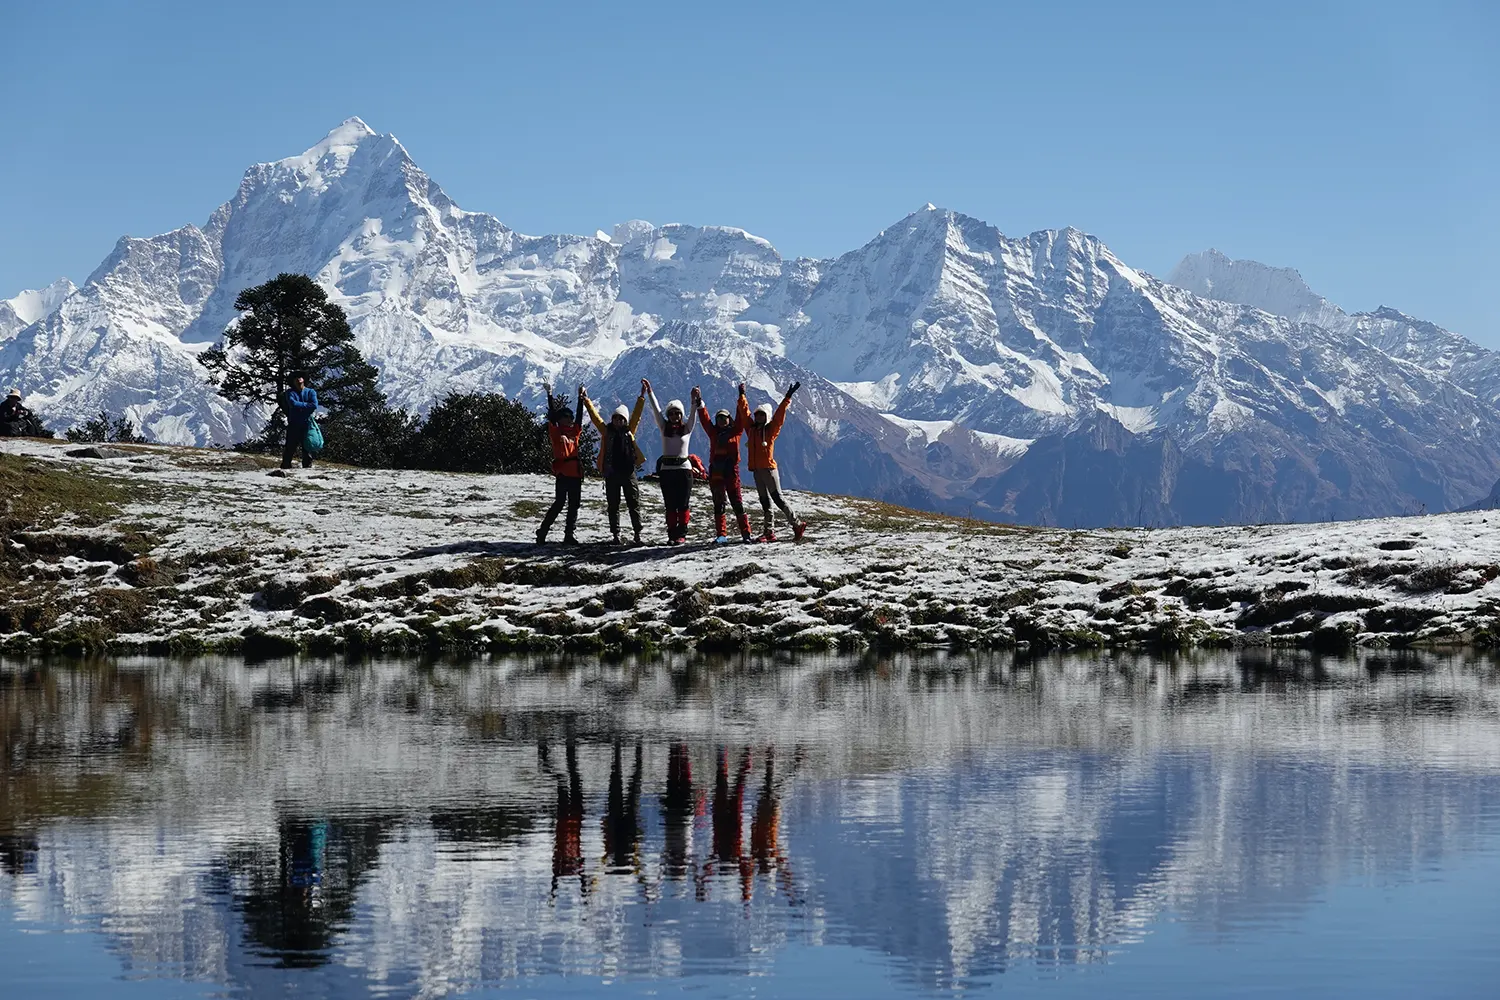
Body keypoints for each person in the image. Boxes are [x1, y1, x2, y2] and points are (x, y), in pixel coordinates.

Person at [582, 385, 646, 545]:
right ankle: (616, 534)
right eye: (616, 418)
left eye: (621, 419)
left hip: (628, 472)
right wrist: (586, 401)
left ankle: (637, 533)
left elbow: (637, 416)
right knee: (613, 505)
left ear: (625, 420)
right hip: (612, 473)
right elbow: (595, 418)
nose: (618, 421)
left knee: (633, 503)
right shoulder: (606, 431)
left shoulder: (630, 430)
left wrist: (642, 397)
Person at [746, 381, 807, 541]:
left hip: (768, 470)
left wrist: (787, 397)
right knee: (765, 501)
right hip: (757, 471)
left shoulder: (771, 430)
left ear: (767, 417)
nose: (758, 417)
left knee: (778, 499)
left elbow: (779, 416)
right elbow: (744, 413)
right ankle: (769, 532)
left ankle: (797, 523)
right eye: (757, 414)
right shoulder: (751, 430)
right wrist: (741, 397)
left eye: (762, 415)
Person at [696, 384, 754, 543]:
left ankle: (746, 534)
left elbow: (741, 414)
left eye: (725, 418)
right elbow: (704, 419)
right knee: (718, 504)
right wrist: (699, 401)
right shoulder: (713, 432)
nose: (722, 420)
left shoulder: (736, 431)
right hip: (716, 472)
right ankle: (721, 535)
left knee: (737, 502)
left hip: (731, 472)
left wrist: (742, 395)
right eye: (719, 418)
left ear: (730, 420)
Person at [645, 378, 697, 544]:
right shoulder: (663, 427)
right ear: (668, 415)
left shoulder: (687, 428)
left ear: (682, 415)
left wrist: (694, 399)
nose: (675, 416)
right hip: (667, 471)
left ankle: (682, 534)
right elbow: (656, 409)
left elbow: (694, 411)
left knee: (683, 504)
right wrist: (649, 391)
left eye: (678, 413)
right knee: (670, 505)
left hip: (684, 470)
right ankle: (671, 534)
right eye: (672, 413)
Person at [536, 383, 585, 545]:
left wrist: (580, 398)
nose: (569, 420)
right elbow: (552, 415)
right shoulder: (556, 432)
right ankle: (543, 531)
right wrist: (549, 395)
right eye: (565, 418)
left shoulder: (575, 431)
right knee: (559, 503)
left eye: (569, 418)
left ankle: (569, 535)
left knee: (574, 505)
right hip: (563, 474)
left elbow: (579, 416)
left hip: (575, 474)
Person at [281, 374, 319, 469]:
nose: (298, 381)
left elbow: (314, 405)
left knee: (307, 447)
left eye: (300, 379)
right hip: (294, 423)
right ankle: (286, 465)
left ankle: (307, 466)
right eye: (296, 379)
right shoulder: (290, 392)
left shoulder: (311, 392)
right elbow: (292, 404)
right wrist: (307, 405)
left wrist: (300, 406)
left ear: (304, 380)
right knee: (290, 446)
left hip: (306, 424)